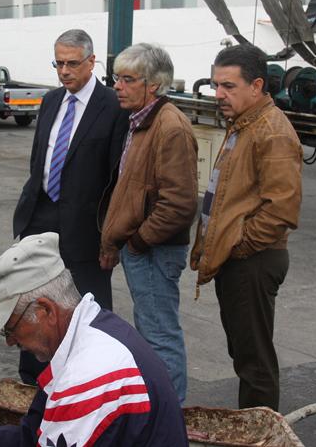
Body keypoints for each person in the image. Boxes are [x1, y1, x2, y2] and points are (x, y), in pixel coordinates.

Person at [0, 232, 188, 447]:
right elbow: (35, 433)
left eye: (10, 328)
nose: (10, 341)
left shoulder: (87, 375)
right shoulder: (93, 326)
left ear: (46, 310)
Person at [12, 29, 128, 383]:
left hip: (87, 229)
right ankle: (32, 386)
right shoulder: (50, 102)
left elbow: (117, 180)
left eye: (72, 64)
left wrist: (110, 239)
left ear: (92, 62)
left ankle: (86, 384)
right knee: (32, 303)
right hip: (40, 217)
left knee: (86, 311)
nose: (64, 71)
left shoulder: (112, 107)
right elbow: (39, 163)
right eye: (58, 63)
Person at [190, 44, 303, 411]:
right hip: (239, 261)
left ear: (256, 86)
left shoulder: (272, 132)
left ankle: (260, 432)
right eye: (215, 84)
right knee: (244, 353)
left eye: (228, 86)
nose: (218, 94)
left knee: (255, 363)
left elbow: (281, 210)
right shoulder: (244, 123)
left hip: (253, 261)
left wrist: (236, 246)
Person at [99, 43, 198, 404]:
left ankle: (169, 419)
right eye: (116, 78)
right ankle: (161, 412)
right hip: (143, 249)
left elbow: (180, 204)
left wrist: (138, 242)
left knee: (160, 336)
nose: (117, 87)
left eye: (127, 79)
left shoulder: (170, 127)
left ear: (153, 85)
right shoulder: (143, 121)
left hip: (155, 251)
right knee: (152, 332)